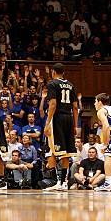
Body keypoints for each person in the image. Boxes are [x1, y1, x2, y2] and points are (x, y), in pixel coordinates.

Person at [43, 63, 79, 191]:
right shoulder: (71, 85)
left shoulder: (52, 84)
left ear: (53, 72)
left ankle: (55, 182)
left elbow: (52, 104)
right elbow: (75, 107)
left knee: (53, 150)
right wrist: (75, 124)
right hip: (68, 118)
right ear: (63, 72)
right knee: (66, 153)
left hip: (57, 118)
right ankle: (63, 183)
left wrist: (47, 123)